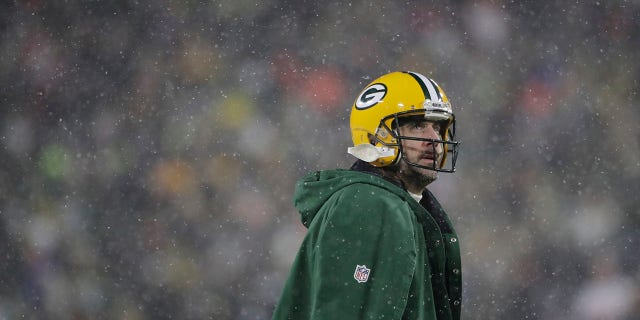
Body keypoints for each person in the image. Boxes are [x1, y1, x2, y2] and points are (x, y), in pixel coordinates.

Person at [272, 71, 462, 320]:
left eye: (437, 127)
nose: (434, 139)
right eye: (418, 125)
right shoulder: (371, 203)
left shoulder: (388, 202)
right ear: (375, 135)